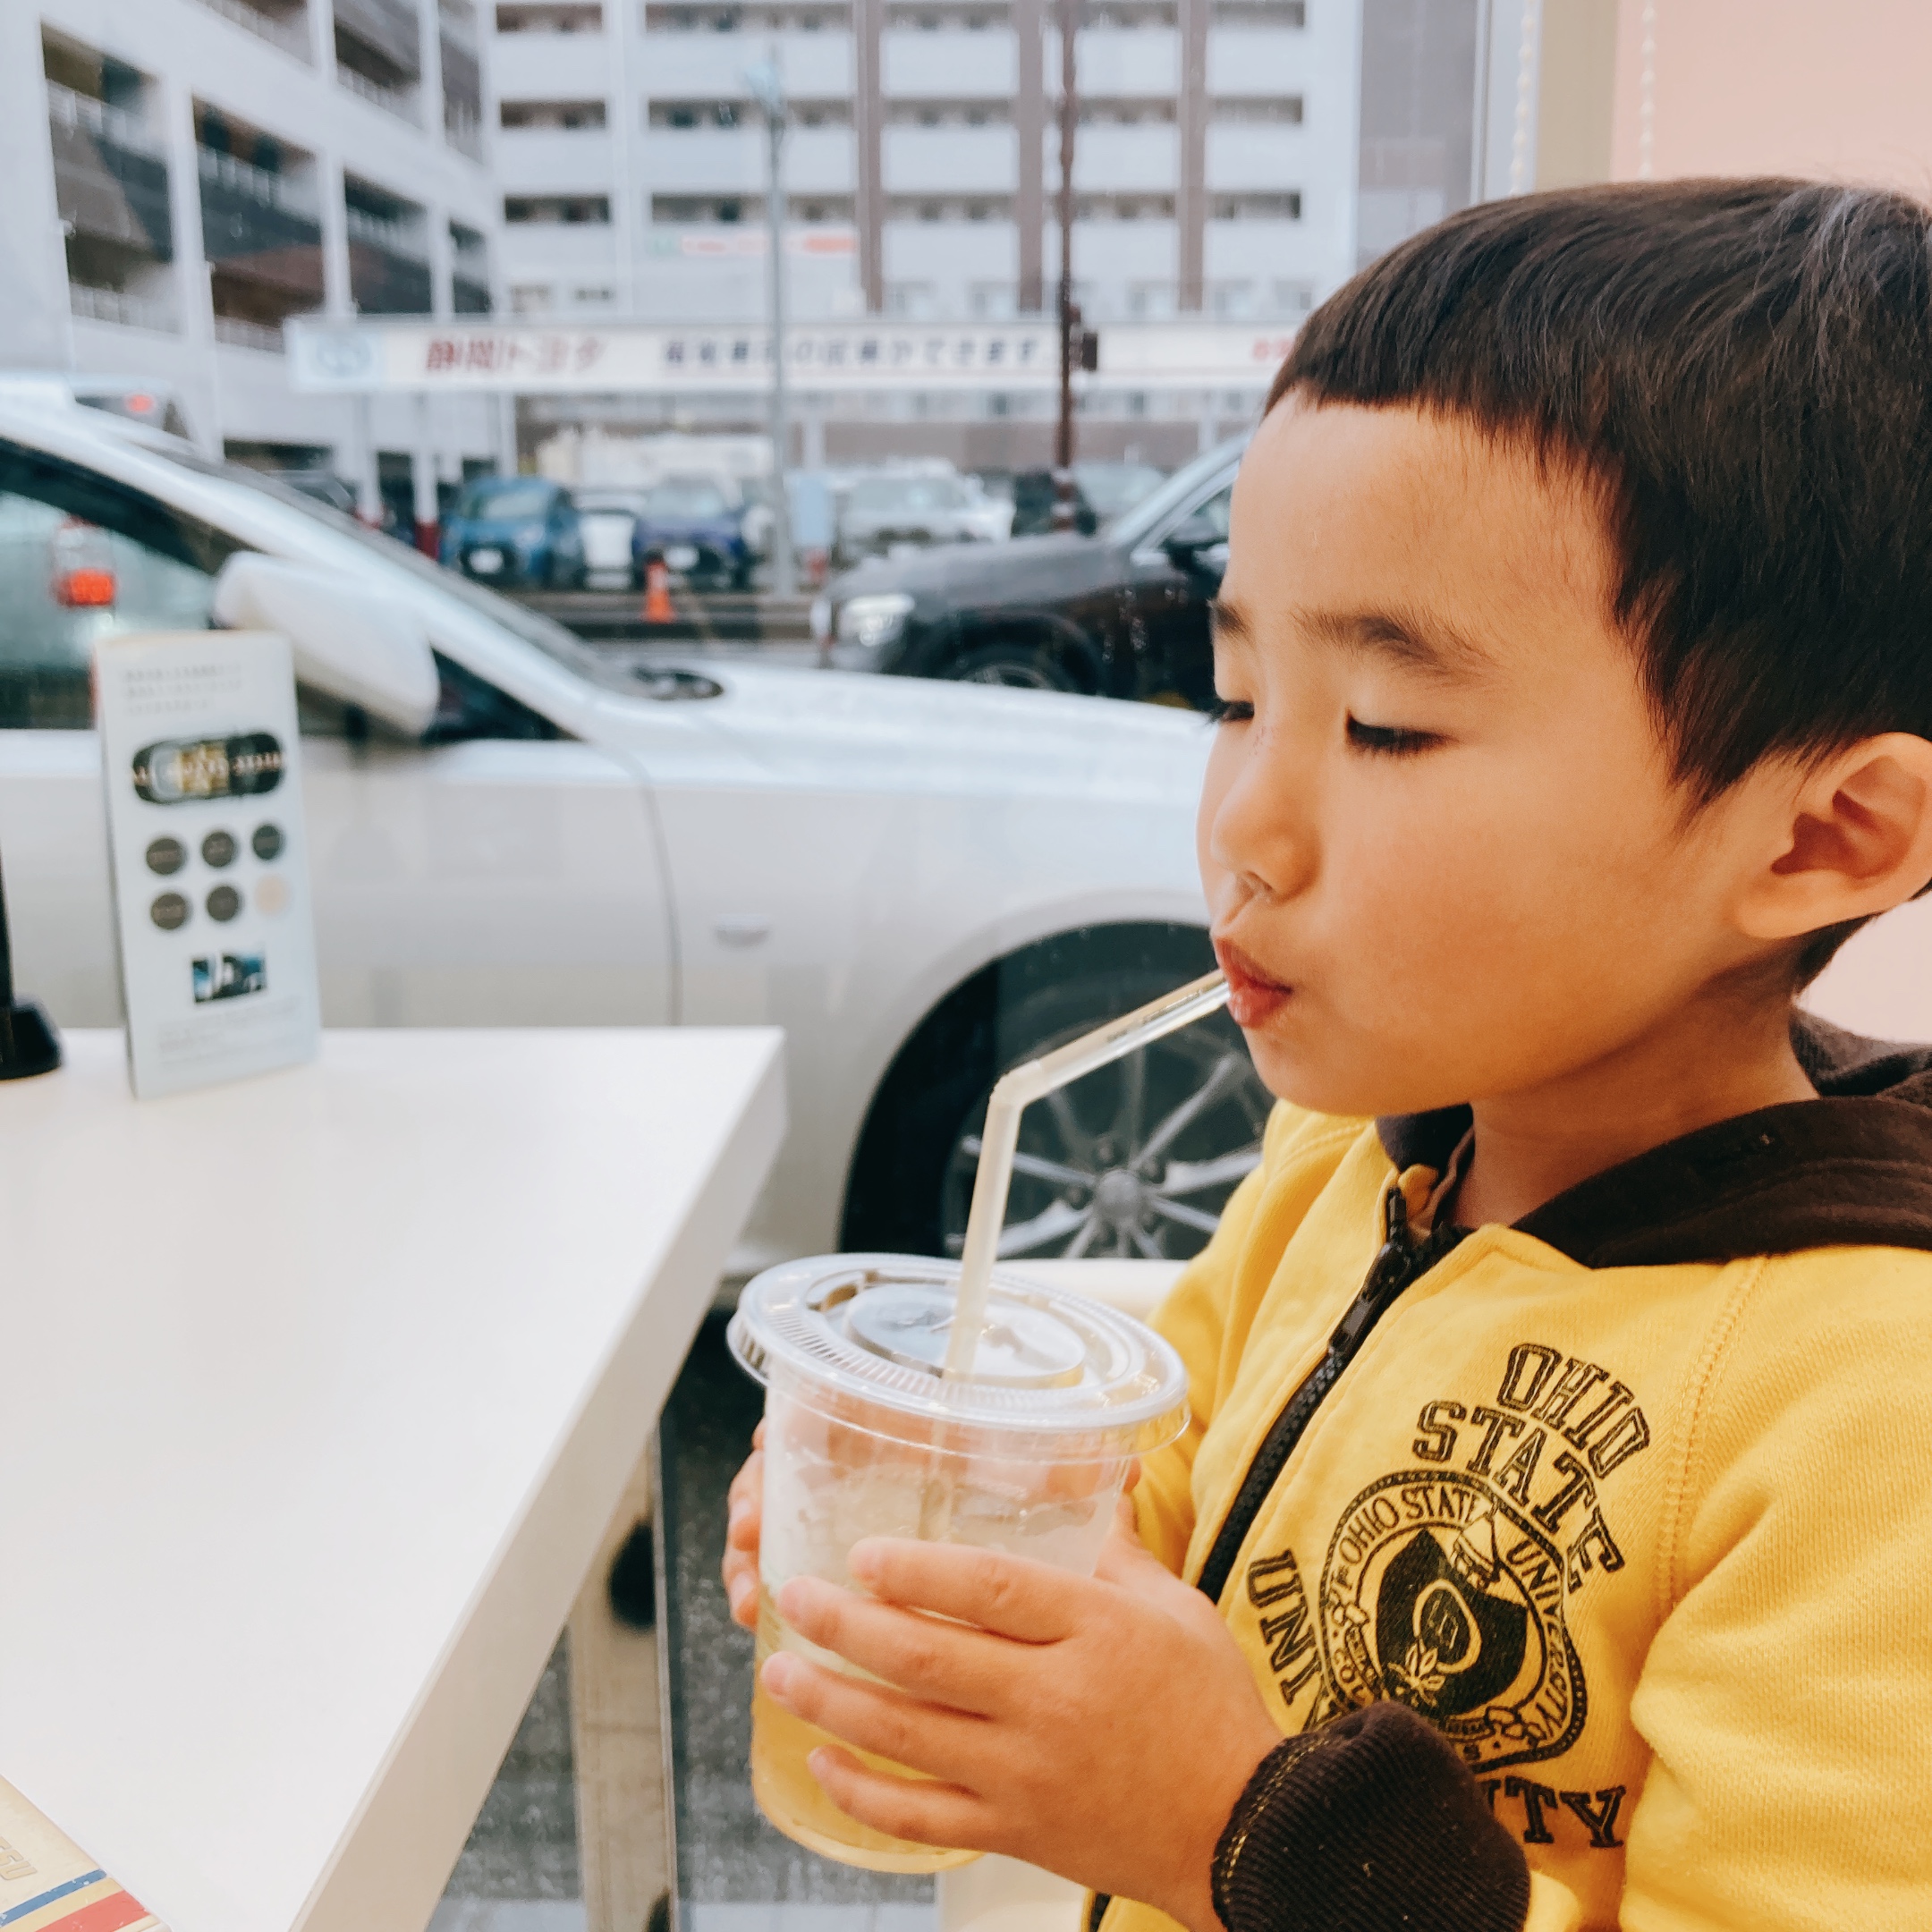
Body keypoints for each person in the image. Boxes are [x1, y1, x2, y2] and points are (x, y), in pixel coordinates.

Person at [721, 179, 1932, 1932]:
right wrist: (966, 1552)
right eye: (1236, 699)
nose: (1245, 827)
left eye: (1385, 724)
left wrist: (1236, 1831)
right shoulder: (1352, 1155)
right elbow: (1171, 1491)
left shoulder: (1869, 1417)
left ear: (1822, 837)